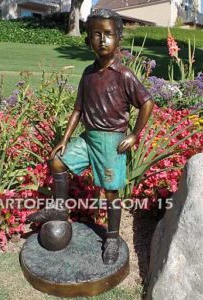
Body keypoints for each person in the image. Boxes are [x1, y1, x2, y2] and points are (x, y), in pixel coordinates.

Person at [28, 8, 154, 265]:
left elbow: (147, 103)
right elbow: (77, 109)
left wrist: (133, 135)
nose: (102, 39)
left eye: (108, 34)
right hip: (88, 139)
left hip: (110, 142)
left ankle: (111, 239)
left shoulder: (124, 75)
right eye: (96, 34)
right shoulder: (87, 74)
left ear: (118, 38)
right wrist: (65, 139)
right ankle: (60, 208)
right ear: (88, 39)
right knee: (57, 161)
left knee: (110, 193)